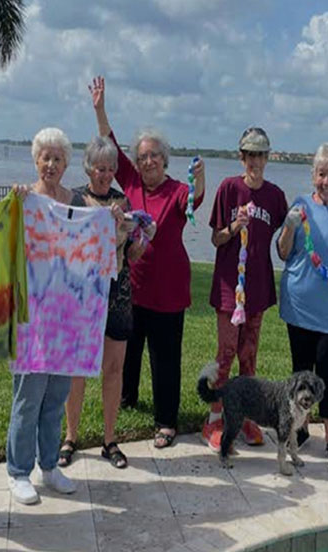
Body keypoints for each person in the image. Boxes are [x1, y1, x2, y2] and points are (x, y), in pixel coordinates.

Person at [90, 76, 205, 448]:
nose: (148, 160)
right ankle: (125, 399)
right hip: (131, 284)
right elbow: (110, 146)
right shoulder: (131, 184)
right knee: (129, 348)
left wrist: (200, 180)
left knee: (165, 357)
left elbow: (196, 199)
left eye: (154, 155)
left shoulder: (177, 190)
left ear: (164, 160)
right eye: (142, 157)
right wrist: (100, 109)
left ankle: (166, 420)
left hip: (169, 289)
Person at [59, 135, 150, 470]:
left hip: (117, 292)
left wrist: (141, 235)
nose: (105, 174)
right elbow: (63, 246)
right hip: (82, 293)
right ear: (88, 167)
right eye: (100, 168)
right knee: (78, 369)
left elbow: (133, 252)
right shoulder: (74, 200)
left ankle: (110, 440)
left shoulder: (123, 202)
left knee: (113, 369)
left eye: (111, 169)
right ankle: (70, 437)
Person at [5, 128, 82, 504]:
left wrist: (115, 220)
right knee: (28, 396)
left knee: (56, 395)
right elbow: (5, 244)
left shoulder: (77, 201)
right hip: (32, 314)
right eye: (45, 157)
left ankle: (49, 465)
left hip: (67, 316)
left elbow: (97, 237)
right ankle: (18, 471)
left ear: (66, 164)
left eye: (58, 158)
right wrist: (15, 206)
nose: (51, 164)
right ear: (36, 160)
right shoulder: (25, 199)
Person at [202, 127, 288, 451]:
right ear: (242, 157)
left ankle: (247, 417)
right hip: (229, 287)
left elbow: (285, 236)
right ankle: (214, 419)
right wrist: (233, 227)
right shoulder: (229, 188)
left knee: (248, 357)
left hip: (259, 286)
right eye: (250, 154)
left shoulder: (275, 196)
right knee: (225, 355)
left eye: (260, 155)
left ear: (268, 158)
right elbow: (215, 238)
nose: (255, 161)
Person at [277, 143, 328, 470]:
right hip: (299, 303)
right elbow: (283, 253)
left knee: (327, 374)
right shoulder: (299, 206)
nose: (326, 180)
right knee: (300, 372)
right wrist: (289, 226)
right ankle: (298, 430)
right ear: (313, 175)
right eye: (321, 174)